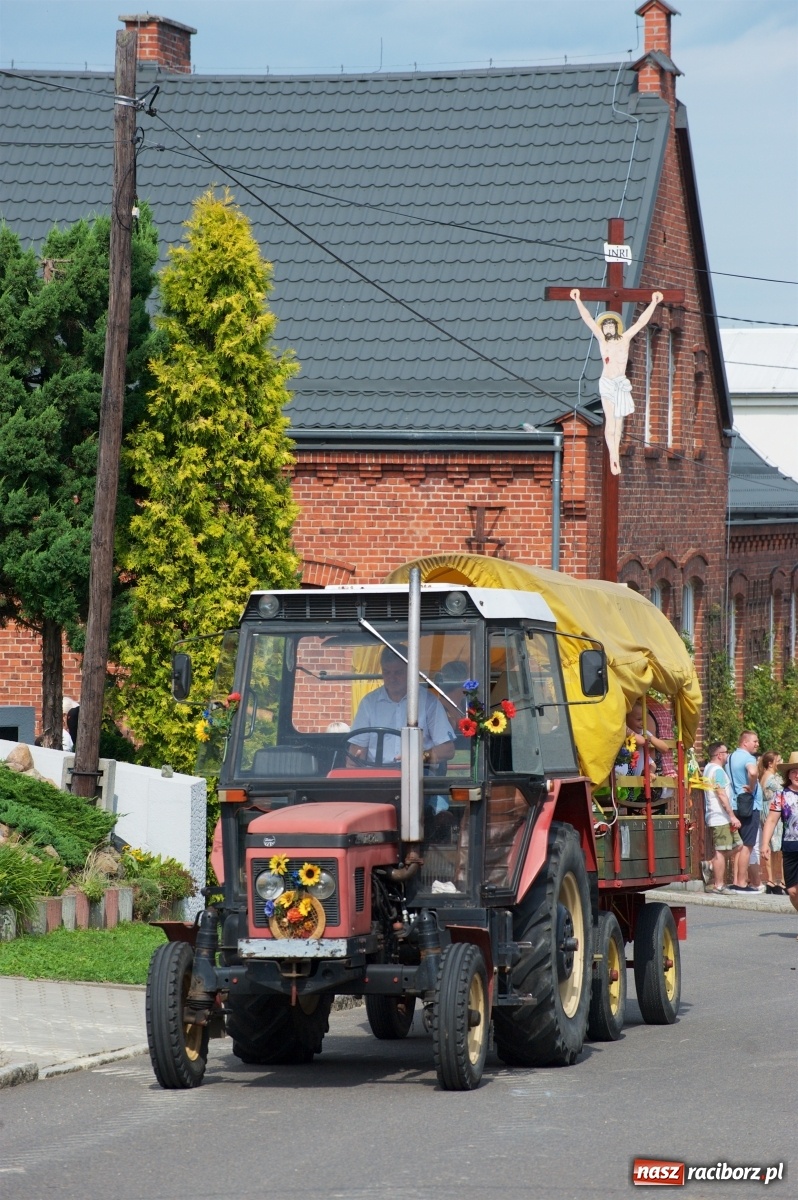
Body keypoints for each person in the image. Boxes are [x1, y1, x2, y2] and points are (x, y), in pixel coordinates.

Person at [570, 288, 663, 475]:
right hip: (607, 383)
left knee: (619, 424)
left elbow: (641, 322)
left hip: (620, 383)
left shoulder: (625, 339)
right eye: (606, 326)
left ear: (616, 327)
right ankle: (613, 456)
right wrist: (578, 300)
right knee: (610, 424)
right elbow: (588, 320)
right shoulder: (602, 341)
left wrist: (653, 302)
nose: (608, 329)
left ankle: (616, 456)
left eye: (612, 326)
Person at [348, 646, 455, 769]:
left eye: (398, 672)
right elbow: (356, 750)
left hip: (418, 776)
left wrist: (418, 758)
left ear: (411, 671)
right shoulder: (369, 703)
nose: (392, 678)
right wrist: (354, 761)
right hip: (377, 779)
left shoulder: (428, 702)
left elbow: (447, 750)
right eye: (387, 672)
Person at [727, 730, 766, 894]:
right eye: (755, 741)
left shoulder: (730, 757)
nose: (757, 744)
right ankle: (742, 883)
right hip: (750, 805)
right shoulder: (748, 758)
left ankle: (737, 880)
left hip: (735, 804)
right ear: (745, 742)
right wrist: (751, 785)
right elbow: (753, 772)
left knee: (740, 844)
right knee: (748, 845)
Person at [761, 753, 798, 921]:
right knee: (792, 891)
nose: (797, 775)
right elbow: (771, 820)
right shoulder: (781, 795)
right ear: (788, 775)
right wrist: (764, 844)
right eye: (793, 771)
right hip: (790, 847)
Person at [701, 742, 742, 894]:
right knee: (721, 850)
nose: (727, 755)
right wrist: (731, 815)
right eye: (726, 752)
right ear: (719, 755)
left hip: (719, 816)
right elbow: (721, 793)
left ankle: (710, 864)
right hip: (720, 817)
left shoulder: (708, 769)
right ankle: (719, 885)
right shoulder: (717, 770)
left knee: (738, 845)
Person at [758, 751, 786, 895]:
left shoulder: (764, 776)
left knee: (770, 845)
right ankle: (780, 880)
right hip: (773, 812)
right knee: (778, 847)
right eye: (779, 759)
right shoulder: (772, 778)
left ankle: (771, 879)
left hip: (765, 811)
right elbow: (785, 788)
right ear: (770, 763)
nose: (781, 762)